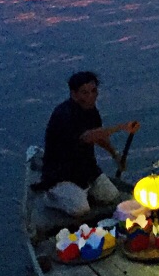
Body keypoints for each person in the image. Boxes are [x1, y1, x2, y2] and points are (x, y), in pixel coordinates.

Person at [41, 71, 140, 217]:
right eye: (84, 93)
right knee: (81, 209)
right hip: (60, 174)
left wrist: (115, 155)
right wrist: (121, 127)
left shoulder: (91, 110)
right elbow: (88, 136)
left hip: (86, 169)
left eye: (93, 91)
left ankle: (82, 192)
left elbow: (98, 137)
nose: (91, 96)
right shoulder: (64, 115)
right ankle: (51, 196)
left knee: (111, 196)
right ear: (74, 94)